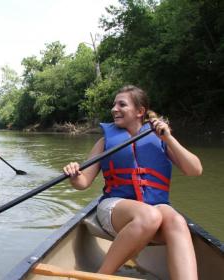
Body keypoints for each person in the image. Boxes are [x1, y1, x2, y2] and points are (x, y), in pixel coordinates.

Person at [63, 85, 202, 279]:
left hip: (154, 208)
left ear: (140, 111)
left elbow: (195, 170)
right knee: (149, 215)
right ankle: (101, 276)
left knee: (177, 221)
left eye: (122, 104)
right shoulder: (104, 142)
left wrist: (169, 138)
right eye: (114, 105)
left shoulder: (160, 139)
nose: (114, 109)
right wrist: (74, 174)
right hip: (115, 207)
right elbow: (83, 182)